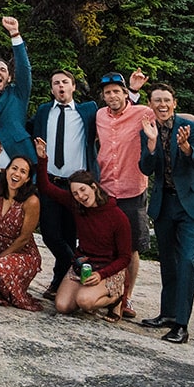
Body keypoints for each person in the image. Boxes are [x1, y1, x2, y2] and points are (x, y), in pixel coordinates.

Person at [138, 83, 194, 345]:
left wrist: (186, 148)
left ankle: (181, 325)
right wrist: (150, 145)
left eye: (166, 100)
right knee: (168, 262)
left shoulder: (191, 127)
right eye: (157, 100)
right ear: (151, 104)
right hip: (165, 204)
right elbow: (146, 169)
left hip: (191, 205)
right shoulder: (148, 129)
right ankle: (168, 313)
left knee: (186, 261)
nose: (162, 105)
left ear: (174, 103)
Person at [33, 138, 131, 319]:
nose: (80, 196)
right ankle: (86, 292)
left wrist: (102, 275)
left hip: (107, 268)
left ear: (94, 187)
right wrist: (42, 159)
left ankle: (116, 298)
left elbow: (125, 257)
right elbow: (46, 187)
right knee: (62, 306)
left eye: (83, 190)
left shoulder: (117, 217)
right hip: (83, 265)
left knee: (85, 302)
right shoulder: (77, 206)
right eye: (76, 193)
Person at [28, 68, 100, 295]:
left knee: (70, 234)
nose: (60, 86)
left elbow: (115, 116)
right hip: (49, 181)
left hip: (76, 185)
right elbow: (24, 130)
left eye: (65, 82)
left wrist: (134, 93)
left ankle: (59, 281)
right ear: (51, 89)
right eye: (56, 83)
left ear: (73, 87)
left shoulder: (88, 111)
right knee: (50, 233)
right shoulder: (43, 111)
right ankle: (78, 265)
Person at [94, 70, 155, 320]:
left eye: (116, 92)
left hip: (132, 189)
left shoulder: (142, 113)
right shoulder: (99, 115)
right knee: (107, 245)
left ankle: (127, 296)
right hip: (106, 190)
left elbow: (167, 114)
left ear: (124, 94)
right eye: (107, 93)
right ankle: (111, 293)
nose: (112, 96)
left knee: (131, 248)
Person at [0, 155, 43, 311]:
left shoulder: (31, 201)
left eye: (23, 172)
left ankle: (14, 294)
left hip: (23, 253)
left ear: (27, 179)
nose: (17, 174)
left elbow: (24, 238)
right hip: (0, 245)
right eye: (14, 168)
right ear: (7, 170)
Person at [0, 16, 32, 196]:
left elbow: (24, 69)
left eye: (3, 69)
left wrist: (15, 34)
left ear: (9, 78)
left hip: (18, 173)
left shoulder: (17, 95)